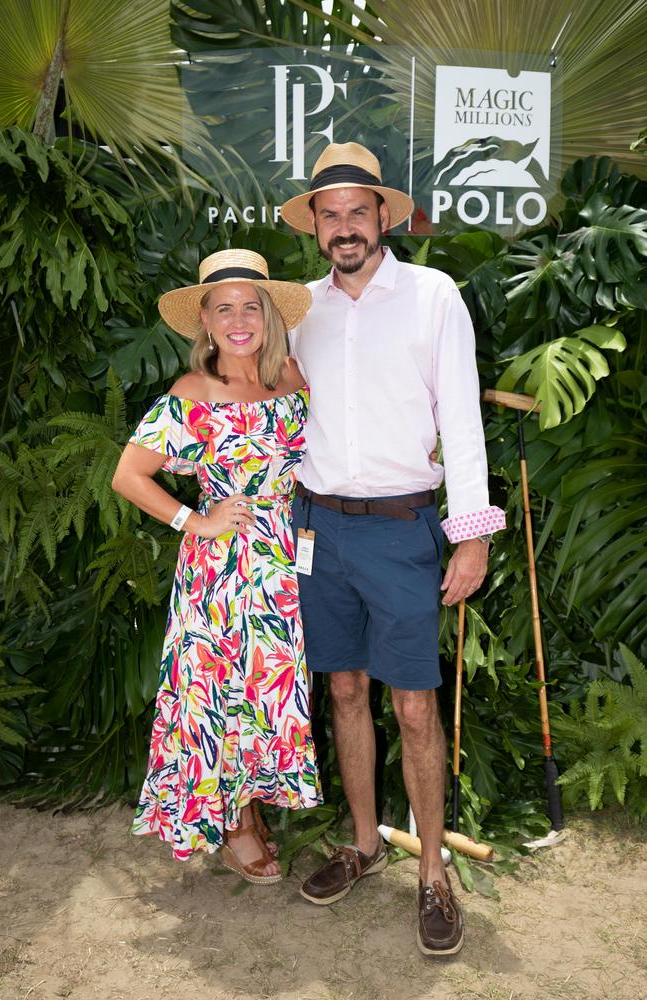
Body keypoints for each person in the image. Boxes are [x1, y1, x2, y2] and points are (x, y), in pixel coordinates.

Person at [280, 143, 505, 953]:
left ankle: (434, 874)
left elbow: (464, 425)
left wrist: (470, 537)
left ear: (386, 216)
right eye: (328, 215)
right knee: (343, 691)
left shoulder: (432, 296)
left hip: (404, 529)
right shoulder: (299, 309)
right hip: (318, 528)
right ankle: (367, 845)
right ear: (314, 228)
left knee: (412, 705)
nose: (344, 227)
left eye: (358, 212)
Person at [112, 249, 321, 884]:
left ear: (268, 315)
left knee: (264, 690)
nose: (237, 319)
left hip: (285, 564)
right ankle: (231, 826)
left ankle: (251, 810)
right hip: (220, 570)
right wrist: (194, 519)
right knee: (217, 692)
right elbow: (128, 475)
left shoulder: (290, 374)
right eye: (223, 307)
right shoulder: (192, 394)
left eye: (249, 306)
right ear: (204, 319)